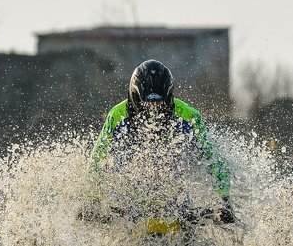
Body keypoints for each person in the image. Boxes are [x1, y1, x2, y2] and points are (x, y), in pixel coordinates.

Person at [88, 59, 235, 222]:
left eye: (159, 104)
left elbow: (213, 159)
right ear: (135, 98)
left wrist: (225, 201)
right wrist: (93, 202)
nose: (153, 110)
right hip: (129, 203)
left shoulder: (189, 116)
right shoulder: (116, 116)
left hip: (176, 204)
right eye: (147, 104)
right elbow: (96, 162)